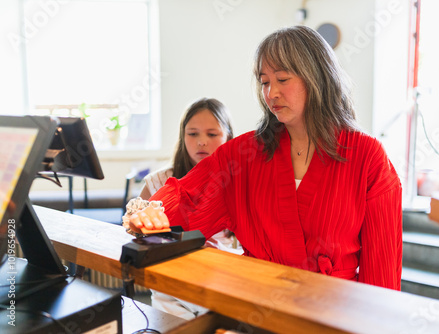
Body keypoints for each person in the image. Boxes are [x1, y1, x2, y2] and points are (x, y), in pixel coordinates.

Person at [125, 25, 403, 291]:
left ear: (317, 77)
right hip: (259, 305)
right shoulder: (244, 154)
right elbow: (187, 202)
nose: (271, 93)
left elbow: (382, 270)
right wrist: (149, 216)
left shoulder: (366, 155)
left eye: (282, 79)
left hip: (335, 312)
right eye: (264, 82)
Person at [126, 97, 236, 319]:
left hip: (222, 286)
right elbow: (132, 226)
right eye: (193, 133)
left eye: (212, 134)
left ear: (229, 137)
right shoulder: (159, 181)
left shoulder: (240, 182)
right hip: (170, 291)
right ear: (182, 136)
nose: (201, 142)